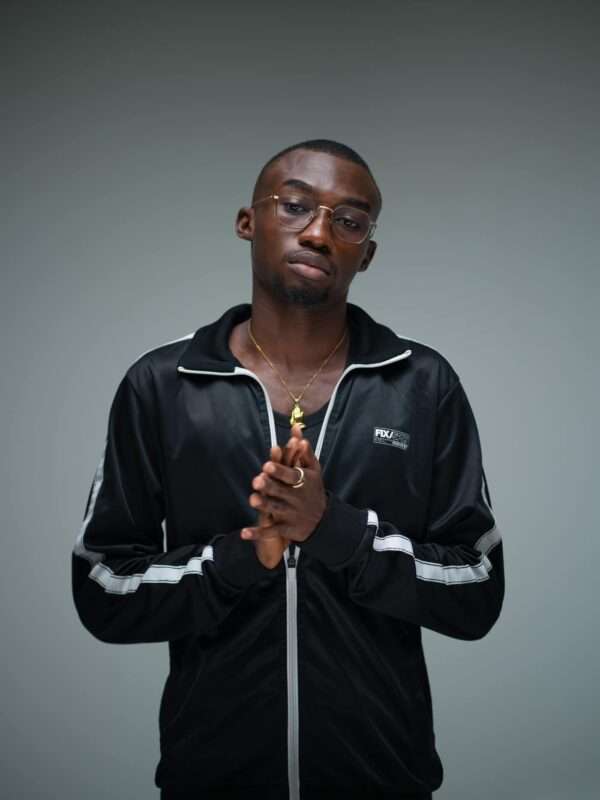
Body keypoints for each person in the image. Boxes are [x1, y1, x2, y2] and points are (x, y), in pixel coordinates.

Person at [71, 138, 505, 800]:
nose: (319, 233)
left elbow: (476, 590)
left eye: (349, 221)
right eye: (295, 206)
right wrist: (243, 558)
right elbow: (102, 588)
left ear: (367, 253)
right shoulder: (163, 385)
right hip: (211, 780)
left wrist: (335, 531)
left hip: (383, 778)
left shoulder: (422, 384)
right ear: (248, 221)